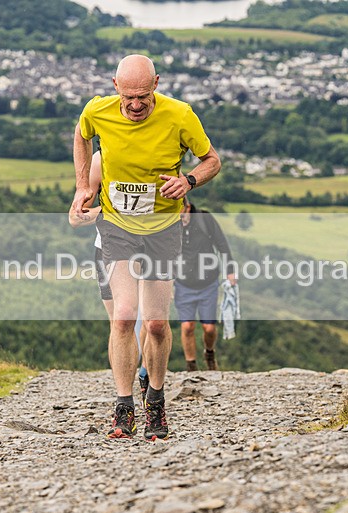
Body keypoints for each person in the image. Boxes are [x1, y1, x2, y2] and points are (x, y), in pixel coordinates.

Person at [72, 54, 221, 440]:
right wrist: (83, 186)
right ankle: (124, 407)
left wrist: (189, 181)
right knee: (123, 316)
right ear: (115, 85)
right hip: (118, 227)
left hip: (162, 229)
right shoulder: (97, 110)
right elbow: (81, 135)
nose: (136, 105)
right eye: (128, 97)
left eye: (143, 96)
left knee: (155, 324)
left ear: (156, 84)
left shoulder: (180, 115)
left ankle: (155, 399)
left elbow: (212, 161)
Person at [68, 151, 149, 405]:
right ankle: (124, 397)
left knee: (152, 320)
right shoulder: (100, 159)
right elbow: (75, 217)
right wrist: (112, 210)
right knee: (120, 323)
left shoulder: (158, 146)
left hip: (152, 246)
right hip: (109, 248)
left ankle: (146, 376)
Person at [175, 197, 236, 371]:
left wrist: (230, 270)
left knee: (209, 328)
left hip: (208, 282)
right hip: (183, 282)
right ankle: (191, 366)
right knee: (187, 326)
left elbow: (221, 244)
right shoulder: (171, 223)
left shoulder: (204, 219)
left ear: (186, 207)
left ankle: (209, 353)